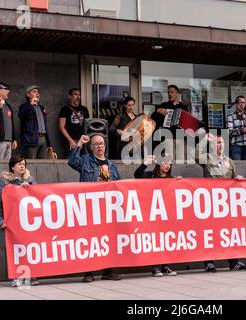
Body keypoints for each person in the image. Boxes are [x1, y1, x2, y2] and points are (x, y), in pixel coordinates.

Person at [68, 133, 122, 282]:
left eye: (101, 143)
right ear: (91, 147)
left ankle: (109, 270)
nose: (99, 146)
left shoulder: (112, 165)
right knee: (90, 240)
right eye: (96, 144)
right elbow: (72, 162)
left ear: (105, 146)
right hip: (91, 208)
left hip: (109, 209)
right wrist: (79, 143)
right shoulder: (85, 161)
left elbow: (120, 186)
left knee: (109, 239)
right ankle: (89, 272)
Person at [198, 134, 246, 272]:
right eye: (217, 143)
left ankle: (233, 261)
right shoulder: (207, 158)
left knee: (229, 231)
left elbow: (233, 178)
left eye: (222, 143)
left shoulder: (230, 161)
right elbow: (194, 155)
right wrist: (204, 140)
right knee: (210, 232)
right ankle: (209, 262)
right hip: (211, 201)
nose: (220, 145)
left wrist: (237, 178)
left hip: (226, 203)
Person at [0, 156, 39, 287]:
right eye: (19, 164)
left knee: (30, 249)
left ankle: (32, 275)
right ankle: (16, 277)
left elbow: (38, 196)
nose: (22, 166)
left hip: (29, 221)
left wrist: (28, 186)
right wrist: (0, 220)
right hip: (12, 223)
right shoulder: (4, 182)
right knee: (15, 250)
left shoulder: (31, 180)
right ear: (12, 167)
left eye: (24, 164)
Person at [134, 154, 179, 277]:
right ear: (159, 163)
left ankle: (166, 266)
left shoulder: (171, 179)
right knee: (155, 240)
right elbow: (137, 175)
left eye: (169, 164)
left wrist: (179, 182)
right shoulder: (150, 175)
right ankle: (155, 267)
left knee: (166, 240)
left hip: (166, 215)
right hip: (152, 213)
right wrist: (145, 163)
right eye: (165, 163)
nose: (167, 166)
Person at [18, 85, 53, 159]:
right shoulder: (24, 106)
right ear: (28, 94)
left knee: (43, 163)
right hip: (31, 139)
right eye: (34, 91)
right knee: (31, 162)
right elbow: (21, 116)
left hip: (43, 138)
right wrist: (30, 105)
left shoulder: (41, 107)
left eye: (38, 92)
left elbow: (45, 125)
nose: (37, 93)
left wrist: (49, 144)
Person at [58, 88, 90, 156]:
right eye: (75, 94)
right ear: (70, 96)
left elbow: (88, 125)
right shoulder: (65, 109)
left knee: (83, 162)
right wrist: (71, 141)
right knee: (71, 162)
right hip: (71, 141)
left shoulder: (84, 109)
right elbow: (61, 127)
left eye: (79, 95)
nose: (78, 97)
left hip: (83, 141)